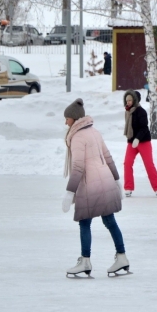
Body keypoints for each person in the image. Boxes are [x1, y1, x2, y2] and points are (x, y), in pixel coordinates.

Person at [62, 98, 130, 278]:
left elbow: (77, 167)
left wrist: (70, 192)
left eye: (67, 118)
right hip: (105, 181)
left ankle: (85, 261)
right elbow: (108, 158)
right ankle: (122, 256)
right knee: (110, 221)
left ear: (75, 119)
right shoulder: (94, 132)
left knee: (85, 223)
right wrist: (116, 180)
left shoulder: (77, 137)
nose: (65, 122)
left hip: (90, 185)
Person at [122, 90, 157, 198]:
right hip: (131, 142)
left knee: (149, 164)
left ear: (135, 100)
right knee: (127, 163)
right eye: (127, 100)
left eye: (130, 100)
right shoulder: (127, 112)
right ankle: (128, 187)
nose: (128, 102)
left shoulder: (141, 112)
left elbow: (144, 127)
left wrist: (138, 139)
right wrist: (132, 139)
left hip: (143, 141)